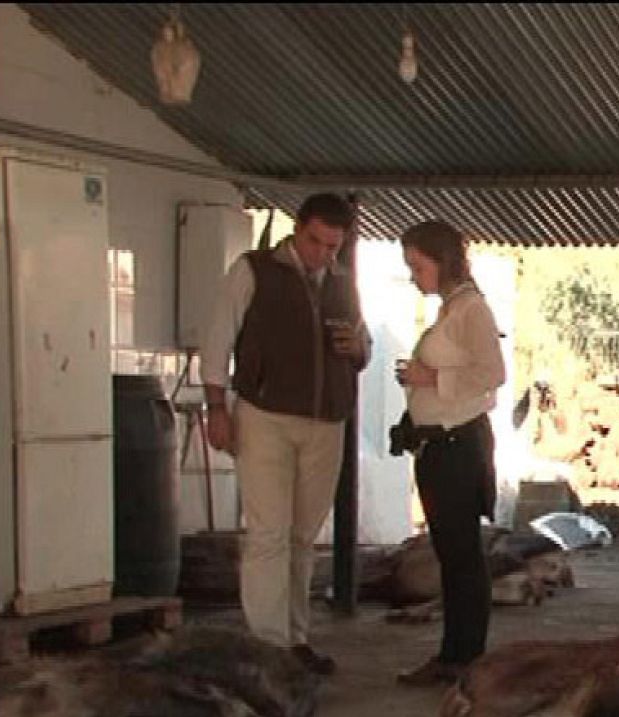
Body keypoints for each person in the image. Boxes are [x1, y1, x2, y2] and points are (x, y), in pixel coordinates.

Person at [201, 194, 369, 676]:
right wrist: (217, 408)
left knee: (302, 537)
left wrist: (358, 347)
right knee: (268, 533)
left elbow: (363, 345)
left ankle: (296, 638)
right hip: (265, 415)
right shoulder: (253, 271)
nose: (323, 254)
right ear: (298, 229)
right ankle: (268, 645)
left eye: (333, 246)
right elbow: (217, 339)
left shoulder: (342, 282)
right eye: (316, 242)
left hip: (327, 420)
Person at [391, 221, 507, 685]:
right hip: (439, 443)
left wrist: (432, 379)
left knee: (461, 555)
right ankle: (456, 652)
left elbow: (492, 372)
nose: (414, 276)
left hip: (458, 443)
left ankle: (464, 656)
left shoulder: (471, 310)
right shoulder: (452, 309)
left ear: (442, 262)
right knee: (452, 552)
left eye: (418, 267)